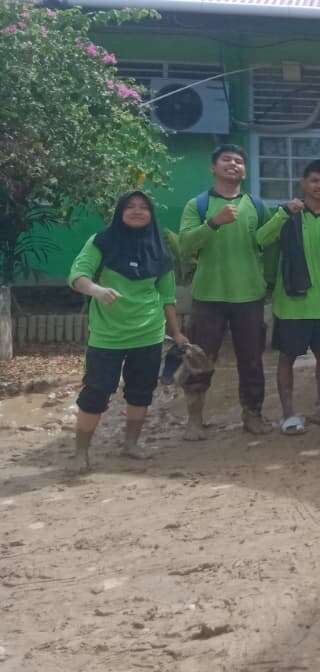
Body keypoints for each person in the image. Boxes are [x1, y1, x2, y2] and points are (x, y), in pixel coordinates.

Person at [67, 191, 185, 471]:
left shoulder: (160, 251)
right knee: (96, 392)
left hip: (149, 334)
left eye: (143, 207)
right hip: (108, 337)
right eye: (130, 206)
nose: (137, 211)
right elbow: (77, 275)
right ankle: (80, 453)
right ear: (120, 211)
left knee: (141, 391)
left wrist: (177, 333)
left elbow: (167, 297)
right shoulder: (102, 242)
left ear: (151, 214)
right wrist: (96, 289)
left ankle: (131, 445)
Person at [178, 144, 269, 436]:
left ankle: (252, 415)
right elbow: (185, 246)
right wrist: (213, 223)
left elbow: (269, 243)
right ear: (213, 168)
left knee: (252, 360)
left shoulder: (257, 205)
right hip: (209, 297)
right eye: (226, 160)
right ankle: (194, 419)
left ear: (245, 169)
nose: (233, 164)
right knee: (199, 358)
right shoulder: (199, 204)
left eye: (239, 160)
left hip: (250, 296)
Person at [254, 159, 320, 434]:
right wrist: (284, 213)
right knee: (287, 357)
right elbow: (261, 239)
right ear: (303, 183)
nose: (319, 186)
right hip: (292, 303)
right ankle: (288, 414)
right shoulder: (288, 214)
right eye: (314, 181)